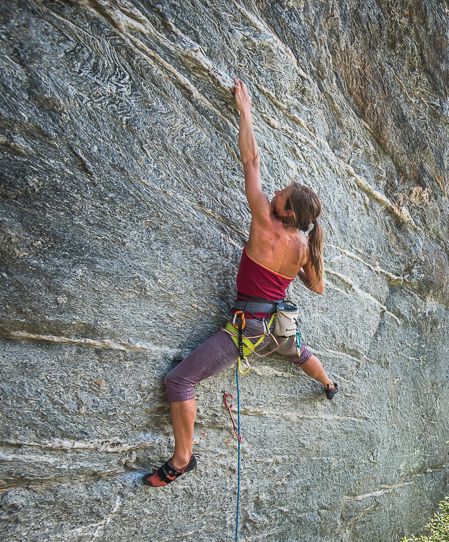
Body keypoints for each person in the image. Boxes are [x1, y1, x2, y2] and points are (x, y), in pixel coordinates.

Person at [144, 78, 338, 488]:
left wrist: (245, 110)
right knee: (299, 353)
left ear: (284, 213)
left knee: (179, 380)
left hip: (246, 329)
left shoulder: (266, 223)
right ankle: (329, 383)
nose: (273, 195)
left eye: (280, 195)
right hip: (278, 329)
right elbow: (317, 288)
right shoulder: (303, 245)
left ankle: (183, 458)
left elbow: (251, 161)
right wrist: (299, 264)